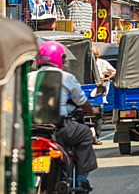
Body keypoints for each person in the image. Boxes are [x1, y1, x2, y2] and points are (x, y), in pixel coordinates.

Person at [28, 41, 99, 191]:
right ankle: (80, 178)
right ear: (60, 59)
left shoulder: (29, 77)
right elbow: (82, 102)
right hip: (58, 128)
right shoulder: (67, 77)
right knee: (86, 133)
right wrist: (92, 111)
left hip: (29, 129)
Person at [92, 48, 115, 145]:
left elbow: (114, 72)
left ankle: (96, 137)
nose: (95, 58)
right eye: (94, 56)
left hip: (100, 93)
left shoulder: (102, 63)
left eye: (96, 56)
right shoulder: (86, 63)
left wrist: (106, 78)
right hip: (89, 92)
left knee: (98, 116)